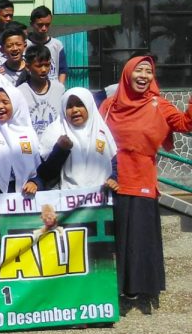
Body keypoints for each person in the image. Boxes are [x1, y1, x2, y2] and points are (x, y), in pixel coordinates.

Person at [100, 56, 192, 302]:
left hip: (141, 180)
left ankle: (137, 288)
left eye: (148, 71)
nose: (143, 76)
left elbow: (185, 124)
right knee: (114, 238)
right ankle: (110, 288)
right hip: (110, 181)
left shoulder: (158, 105)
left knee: (138, 238)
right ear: (126, 74)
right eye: (138, 70)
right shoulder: (109, 105)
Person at [39, 88, 118, 190]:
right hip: (66, 195)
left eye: (80, 104)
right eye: (69, 106)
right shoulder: (55, 132)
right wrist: (60, 150)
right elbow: (45, 175)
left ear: (89, 106)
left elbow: (114, 163)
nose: (75, 110)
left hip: (100, 196)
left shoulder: (101, 131)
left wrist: (113, 179)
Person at [17, 45, 65, 137]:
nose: (43, 70)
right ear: (27, 67)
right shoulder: (20, 92)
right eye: (39, 66)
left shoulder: (59, 89)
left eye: (47, 65)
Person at [29, 6, 67, 84]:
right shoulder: (24, 45)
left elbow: (62, 70)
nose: (44, 28)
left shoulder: (57, 45)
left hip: (53, 88)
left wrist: (60, 86)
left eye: (47, 25)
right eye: (40, 25)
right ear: (32, 24)